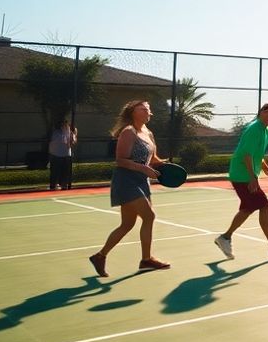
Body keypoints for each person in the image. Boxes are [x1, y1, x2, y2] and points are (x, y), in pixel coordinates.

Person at [87, 100, 175, 277]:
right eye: (143, 109)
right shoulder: (128, 132)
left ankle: (100, 256)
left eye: (149, 109)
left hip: (141, 181)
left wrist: (167, 166)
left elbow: (153, 158)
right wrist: (144, 169)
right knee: (149, 216)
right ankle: (146, 259)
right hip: (126, 181)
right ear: (133, 112)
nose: (148, 111)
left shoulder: (148, 133)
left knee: (127, 224)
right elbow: (121, 160)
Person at [213, 103, 268, 261]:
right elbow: (246, 155)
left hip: (245, 175)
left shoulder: (266, 130)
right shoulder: (254, 129)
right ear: (264, 113)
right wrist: (253, 178)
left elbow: (257, 154)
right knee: (264, 205)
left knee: (247, 208)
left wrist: (266, 169)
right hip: (242, 175)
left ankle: (225, 238)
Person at [48, 118, 78, 191]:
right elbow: (61, 141)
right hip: (56, 155)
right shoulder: (56, 133)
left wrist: (74, 134)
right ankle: (53, 185)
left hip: (66, 155)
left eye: (66, 124)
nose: (65, 126)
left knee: (65, 172)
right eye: (63, 124)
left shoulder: (70, 133)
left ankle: (64, 185)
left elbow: (72, 143)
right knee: (55, 172)